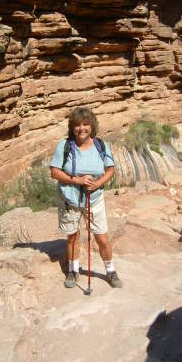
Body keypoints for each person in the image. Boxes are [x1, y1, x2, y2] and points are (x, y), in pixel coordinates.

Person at [50, 107, 122, 289]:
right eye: (77, 125)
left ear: (92, 126)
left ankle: (110, 270)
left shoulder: (101, 145)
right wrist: (77, 180)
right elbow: (54, 172)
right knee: (73, 236)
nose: (81, 128)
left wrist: (97, 184)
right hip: (70, 199)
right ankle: (73, 270)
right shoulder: (65, 145)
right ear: (72, 127)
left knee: (102, 237)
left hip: (94, 197)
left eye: (85, 124)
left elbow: (110, 169)